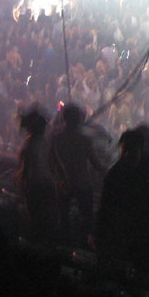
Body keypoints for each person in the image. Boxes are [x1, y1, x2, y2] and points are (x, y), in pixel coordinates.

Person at [95, 126, 149, 272]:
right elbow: (105, 204)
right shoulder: (115, 173)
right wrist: (100, 231)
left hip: (144, 226)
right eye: (124, 150)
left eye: (131, 150)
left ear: (140, 149)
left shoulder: (148, 167)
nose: (127, 154)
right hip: (124, 227)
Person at [51, 103, 102, 246]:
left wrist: (59, 178)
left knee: (63, 216)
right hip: (82, 183)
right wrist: (105, 171)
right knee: (86, 217)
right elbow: (95, 163)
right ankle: (82, 244)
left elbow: (51, 162)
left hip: (63, 183)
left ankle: (63, 243)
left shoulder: (56, 137)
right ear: (78, 119)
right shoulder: (85, 139)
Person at [17, 105, 58, 243]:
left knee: (34, 219)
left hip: (35, 187)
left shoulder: (29, 144)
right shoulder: (48, 142)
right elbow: (55, 164)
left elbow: (26, 169)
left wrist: (21, 184)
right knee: (45, 220)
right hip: (49, 186)